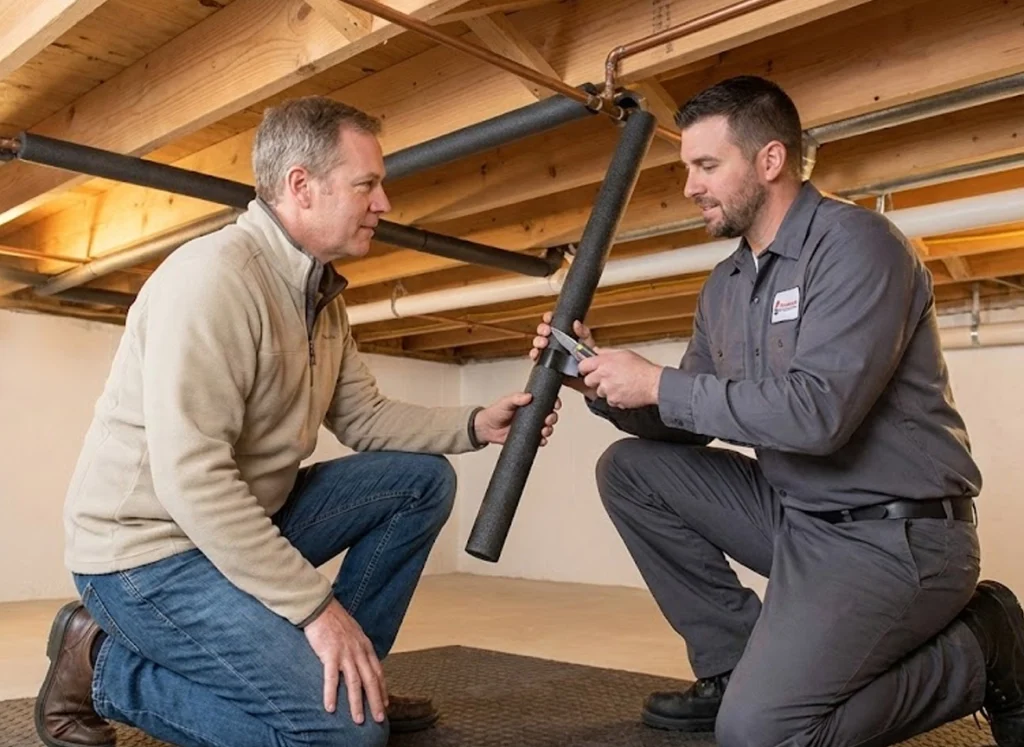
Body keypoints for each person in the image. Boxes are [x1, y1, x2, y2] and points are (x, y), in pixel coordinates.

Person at [36, 96, 560, 747]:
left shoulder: (320, 297)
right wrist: (315, 608)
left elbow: (364, 416)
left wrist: (478, 421)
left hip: (232, 525)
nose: (385, 203)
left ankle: (348, 672)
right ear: (300, 187)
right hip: (145, 554)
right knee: (346, 736)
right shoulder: (214, 281)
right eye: (367, 184)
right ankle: (101, 666)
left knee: (420, 481)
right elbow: (192, 479)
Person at [532, 75, 1024, 747]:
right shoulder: (728, 285)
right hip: (798, 519)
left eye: (707, 166)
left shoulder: (859, 246)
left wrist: (656, 381)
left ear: (770, 160)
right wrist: (601, 381)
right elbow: (690, 416)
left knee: (762, 736)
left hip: (895, 537)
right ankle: (734, 665)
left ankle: (981, 648)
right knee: (630, 468)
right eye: (687, 168)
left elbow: (819, 416)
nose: (690, 187)